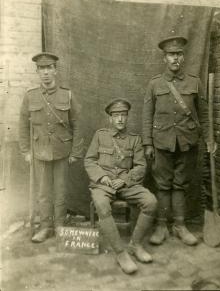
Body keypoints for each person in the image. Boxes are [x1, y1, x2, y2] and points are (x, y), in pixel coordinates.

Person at [142, 36, 209, 246]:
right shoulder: (155, 84)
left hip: (187, 141)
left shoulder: (194, 82)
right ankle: (162, 226)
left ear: (183, 56)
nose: (176, 59)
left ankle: (180, 226)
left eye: (179, 54)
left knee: (181, 184)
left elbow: (204, 115)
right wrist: (147, 144)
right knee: (163, 184)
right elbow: (147, 115)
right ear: (164, 58)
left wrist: (210, 140)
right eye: (171, 55)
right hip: (162, 142)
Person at [84, 98, 158, 274]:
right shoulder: (100, 135)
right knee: (102, 205)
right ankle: (121, 253)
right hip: (104, 184)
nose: (120, 119)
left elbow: (141, 166)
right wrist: (101, 178)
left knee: (151, 201)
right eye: (116, 115)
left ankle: (135, 244)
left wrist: (125, 180)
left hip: (126, 183)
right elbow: (89, 160)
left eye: (123, 115)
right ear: (110, 118)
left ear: (127, 118)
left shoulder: (134, 140)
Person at [19, 52, 84, 243]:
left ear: (55, 71)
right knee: (43, 192)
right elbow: (22, 124)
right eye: (42, 69)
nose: (46, 73)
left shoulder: (67, 94)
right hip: (40, 152)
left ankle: (60, 226)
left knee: (61, 190)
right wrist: (25, 151)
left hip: (62, 152)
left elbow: (78, 123)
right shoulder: (30, 96)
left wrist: (76, 152)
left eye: (49, 68)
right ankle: (46, 227)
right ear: (37, 72)